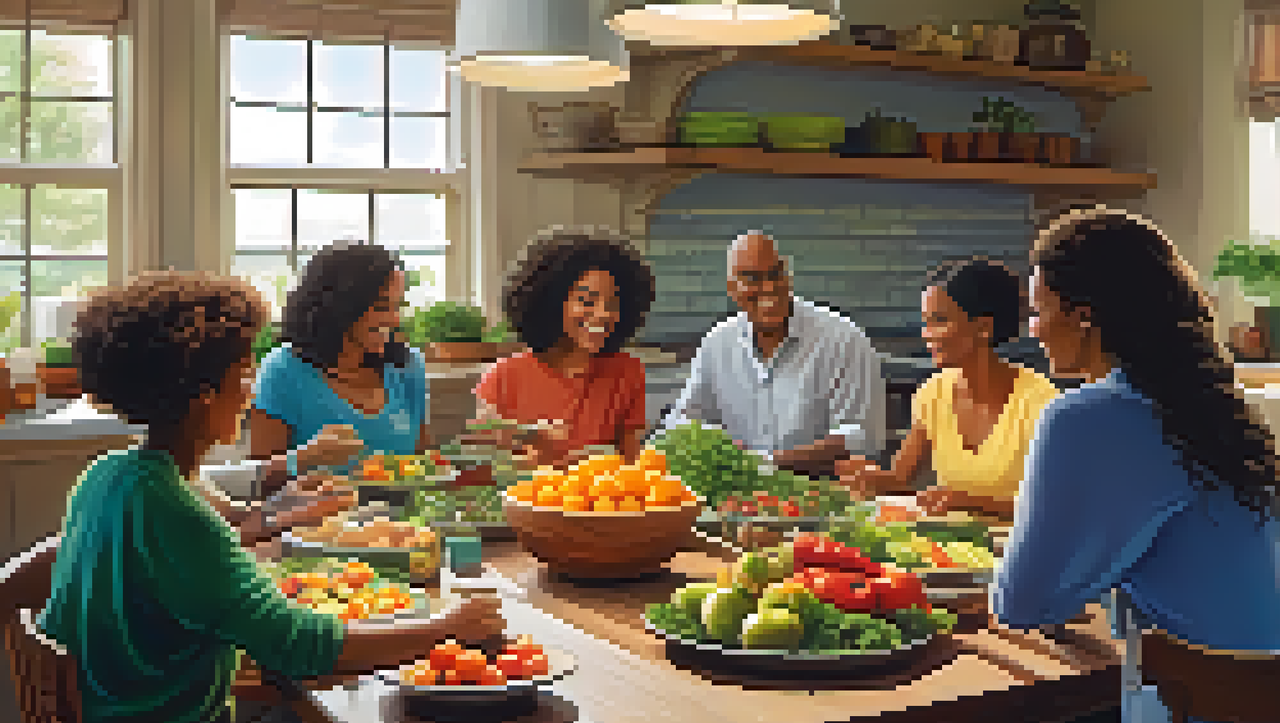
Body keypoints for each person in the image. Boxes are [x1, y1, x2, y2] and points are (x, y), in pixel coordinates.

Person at [40, 272, 503, 723]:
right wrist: (449, 626)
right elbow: (299, 646)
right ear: (203, 395)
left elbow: (220, 521)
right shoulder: (168, 505)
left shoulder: (116, 473)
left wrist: (277, 510)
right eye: (243, 373)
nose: (253, 385)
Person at [991, 208, 1280, 723]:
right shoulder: (1214, 401)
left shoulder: (1084, 417)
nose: (1033, 329)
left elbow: (1021, 603)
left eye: (1039, 310)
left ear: (1085, 315)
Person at [836, 257, 1058, 519]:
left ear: (983, 327)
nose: (927, 334)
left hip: (1020, 550)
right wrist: (870, 476)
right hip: (952, 550)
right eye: (925, 322)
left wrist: (972, 502)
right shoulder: (934, 393)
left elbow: (1056, 505)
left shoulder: (1042, 401)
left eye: (939, 321)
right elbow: (899, 478)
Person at [660, 231, 885, 477]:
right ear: (731, 288)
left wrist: (762, 463)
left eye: (775, 274)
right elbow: (683, 422)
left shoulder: (844, 339)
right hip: (736, 499)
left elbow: (861, 438)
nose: (768, 288)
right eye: (752, 278)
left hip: (825, 498)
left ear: (787, 275)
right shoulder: (718, 343)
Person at [471, 227, 655, 468]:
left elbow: (634, 462)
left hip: (601, 502)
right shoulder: (503, 378)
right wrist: (527, 457)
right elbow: (482, 466)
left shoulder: (627, 371)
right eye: (587, 302)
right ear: (552, 303)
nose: (603, 314)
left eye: (612, 303)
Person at [248, 241, 430, 473]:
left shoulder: (408, 367)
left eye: (398, 306)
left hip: (404, 510)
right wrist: (306, 457)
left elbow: (422, 465)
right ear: (338, 306)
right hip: (316, 509)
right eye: (382, 307)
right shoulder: (283, 371)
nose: (395, 320)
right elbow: (257, 479)